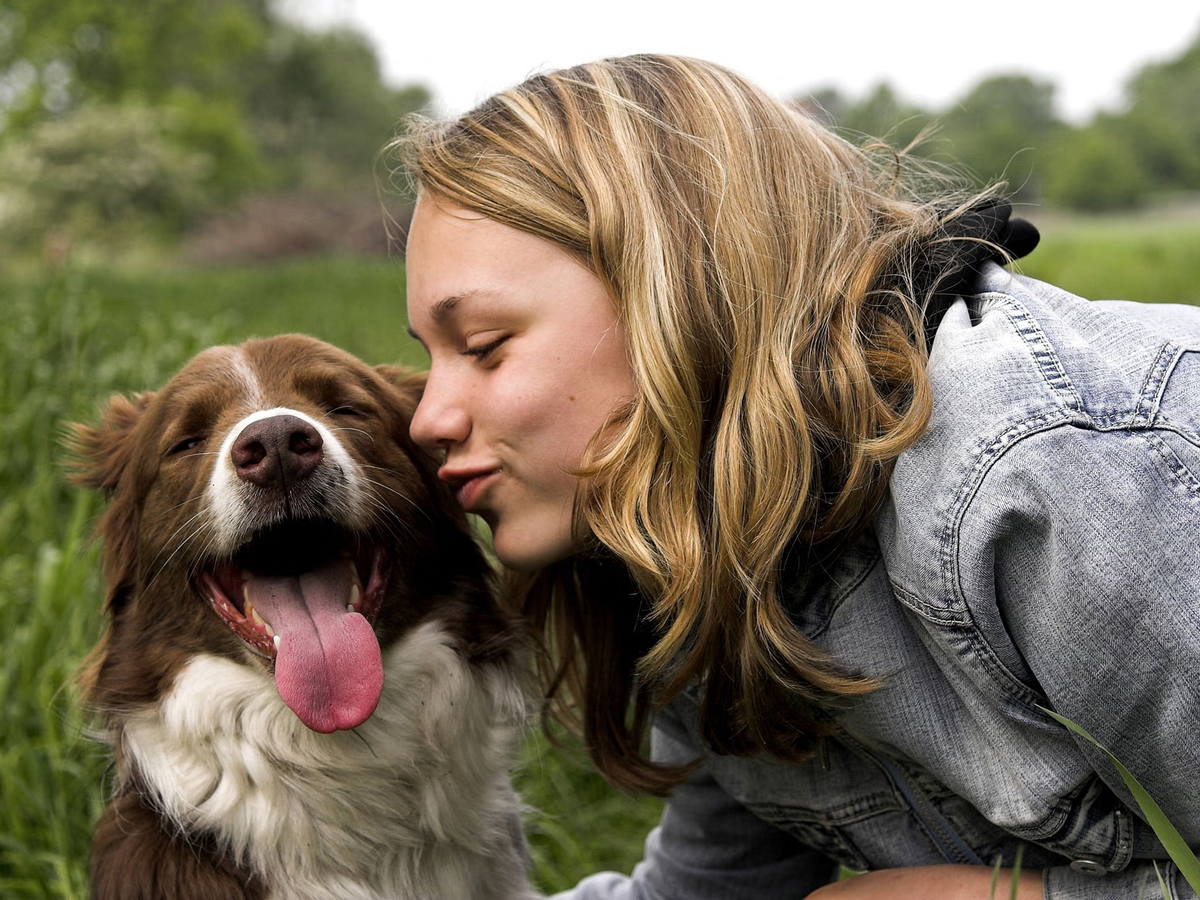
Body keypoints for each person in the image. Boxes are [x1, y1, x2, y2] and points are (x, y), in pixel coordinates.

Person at [395, 54, 1200, 899]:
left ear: (679, 291)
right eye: (431, 357)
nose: (428, 419)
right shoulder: (694, 545)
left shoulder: (1041, 476)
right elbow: (710, 895)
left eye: (483, 345)